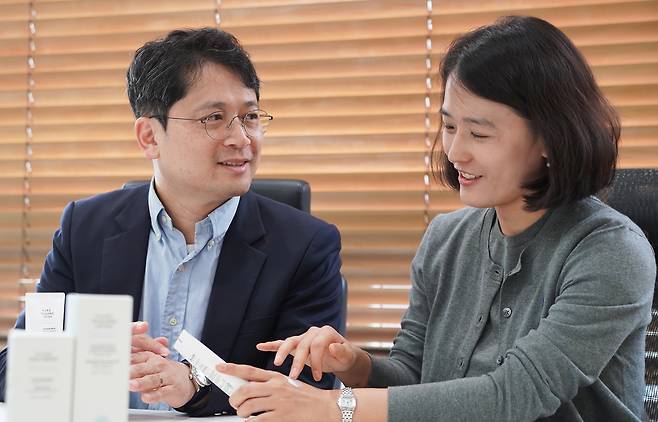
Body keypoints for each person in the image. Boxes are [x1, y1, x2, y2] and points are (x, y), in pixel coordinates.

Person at [214, 15, 656, 421]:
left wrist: (333, 408)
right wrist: (353, 364)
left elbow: (513, 396)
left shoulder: (612, 251)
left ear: (550, 138)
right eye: (449, 126)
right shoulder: (447, 237)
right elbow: (414, 377)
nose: (456, 151)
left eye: (479, 133)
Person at [0, 28, 343, 416]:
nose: (241, 138)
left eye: (249, 116)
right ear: (150, 136)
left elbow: (308, 391)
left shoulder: (304, 246)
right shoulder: (86, 228)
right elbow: (11, 370)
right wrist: (79, 358)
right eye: (214, 118)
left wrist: (196, 385)